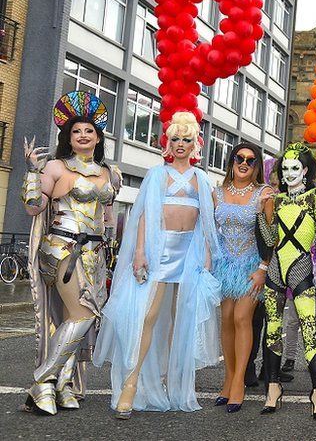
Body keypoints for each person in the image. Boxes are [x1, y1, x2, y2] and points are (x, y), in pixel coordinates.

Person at [94, 112, 222, 418]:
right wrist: (140, 252)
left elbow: (207, 221)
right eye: (175, 139)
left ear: (195, 144)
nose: (180, 144)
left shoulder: (201, 178)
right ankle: (131, 383)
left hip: (189, 254)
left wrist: (206, 256)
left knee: (181, 322)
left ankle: (170, 381)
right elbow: (144, 217)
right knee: (149, 315)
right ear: (168, 142)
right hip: (160, 251)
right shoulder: (156, 174)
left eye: (186, 139)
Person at [20, 92, 121, 415]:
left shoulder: (109, 173)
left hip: (96, 254)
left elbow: (107, 218)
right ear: (68, 136)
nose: (83, 135)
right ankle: (42, 380)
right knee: (84, 315)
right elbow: (33, 208)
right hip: (63, 249)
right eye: (77, 131)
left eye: (88, 130)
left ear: (98, 136)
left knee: (75, 319)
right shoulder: (56, 167)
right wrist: (32, 173)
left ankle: (62, 385)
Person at [257, 143, 316, 421]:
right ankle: (273, 388)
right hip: (276, 268)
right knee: (273, 331)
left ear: (306, 170)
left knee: (309, 331)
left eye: (295, 168)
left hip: (301, 267)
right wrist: (259, 213)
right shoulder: (275, 201)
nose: (289, 173)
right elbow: (268, 240)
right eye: (284, 169)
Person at [212, 142, 274, 413]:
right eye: (240, 158)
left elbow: (271, 237)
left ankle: (239, 383)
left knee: (241, 318)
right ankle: (228, 379)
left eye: (251, 160)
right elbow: (211, 232)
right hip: (225, 266)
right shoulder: (217, 192)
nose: (244, 163)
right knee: (225, 319)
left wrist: (263, 268)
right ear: (232, 161)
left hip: (252, 266)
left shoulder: (264, 194)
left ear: (257, 166)